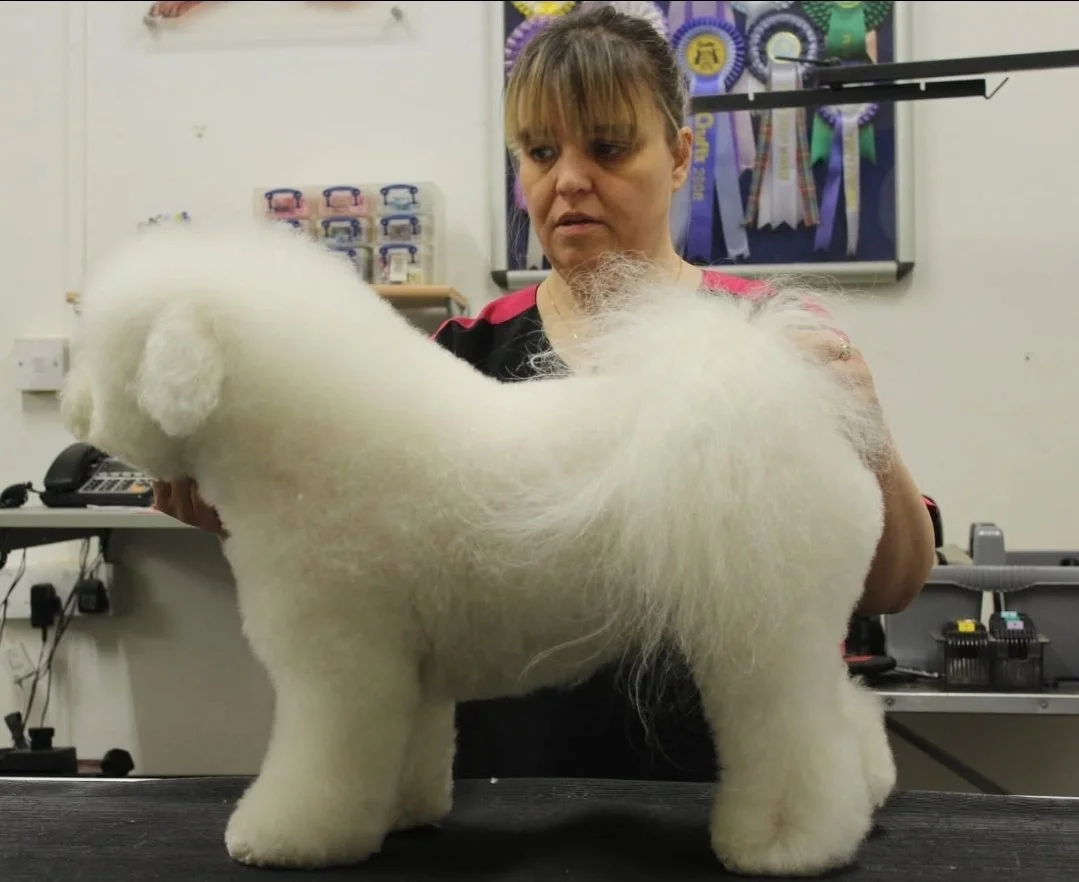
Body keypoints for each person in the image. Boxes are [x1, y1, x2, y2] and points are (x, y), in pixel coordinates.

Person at [153, 5, 938, 783]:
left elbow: (892, 583)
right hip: (502, 803)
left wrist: (865, 429)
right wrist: (248, 513)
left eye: (608, 147)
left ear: (679, 157)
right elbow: (368, 587)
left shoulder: (767, 343)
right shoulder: (457, 357)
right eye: (538, 151)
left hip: (712, 800)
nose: (567, 181)